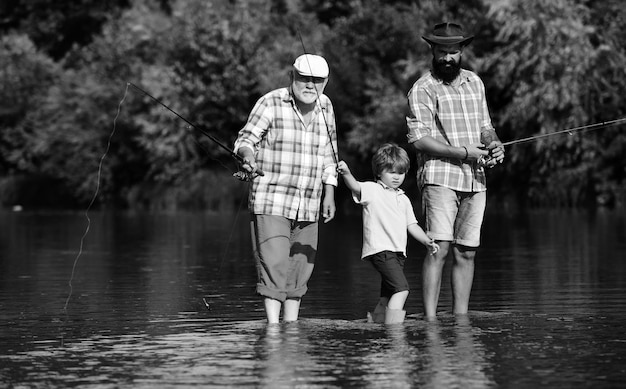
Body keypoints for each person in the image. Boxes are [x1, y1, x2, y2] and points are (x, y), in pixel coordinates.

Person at [405, 22, 505, 318]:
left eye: (454, 52)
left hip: (476, 178)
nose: (448, 58)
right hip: (439, 177)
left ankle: (461, 319)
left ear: (462, 51)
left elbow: (485, 127)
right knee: (440, 247)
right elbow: (418, 139)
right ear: (432, 51)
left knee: (467, 251)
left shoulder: (475, 82)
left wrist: (495, 143)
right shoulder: (423, 88)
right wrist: (463, 152)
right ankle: (431, 320)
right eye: (442, 52)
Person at [234, 54, 338, 324]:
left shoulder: (326, 106)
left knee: (301, 266)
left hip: (310, 201)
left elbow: (330, 154)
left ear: (326, 82)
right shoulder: (271, 101)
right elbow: (246, 139)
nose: (309, 85)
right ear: (292, 76)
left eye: (317, 80)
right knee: (274, 262)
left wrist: (330, 192)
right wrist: (248, 157)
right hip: (272, 199)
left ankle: (291, 326)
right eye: (304, 78)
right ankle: (272, 327)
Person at [337, 144, 439, 324]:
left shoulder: (403, 198)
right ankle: (394, 333)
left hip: (397, 254)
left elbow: (412, 225)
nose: (396, 176)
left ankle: (375, 325)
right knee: (401, 289)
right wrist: (345, 172)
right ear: (379, 171)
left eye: (400, 172)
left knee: (388, 295)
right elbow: (354, 186)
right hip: (381, 250)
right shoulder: (373, 190)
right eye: (391, 172)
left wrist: (427, 241)